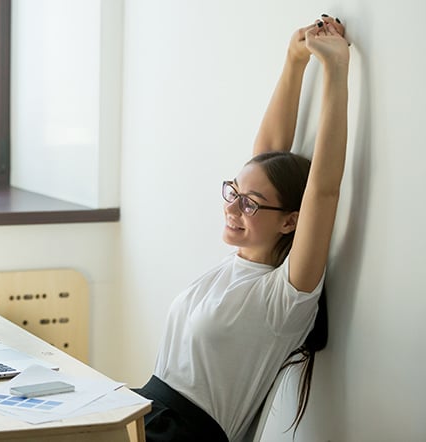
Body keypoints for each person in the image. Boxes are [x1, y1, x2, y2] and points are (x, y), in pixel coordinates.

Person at [133, 15, 350, 442]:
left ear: (291, 221)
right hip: (141, 414)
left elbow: (322, 191)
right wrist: (293, 60)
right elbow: (267, 162)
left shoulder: (284, 297)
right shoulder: (236, 265)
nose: (233, 207)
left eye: (248, 204)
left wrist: (335, 70)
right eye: (233, 192)